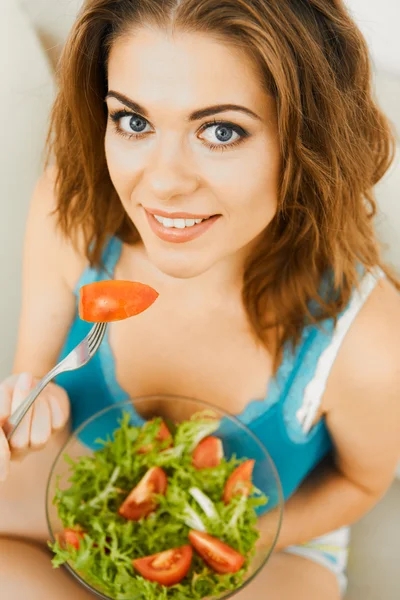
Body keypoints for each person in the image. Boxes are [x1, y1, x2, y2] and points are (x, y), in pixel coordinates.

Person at [1, 0, 400, 598]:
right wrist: (29, 404)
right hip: (88, 483)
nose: (161, 182)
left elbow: (359, 483)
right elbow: (33, 380)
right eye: (133, 122)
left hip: (268, 535)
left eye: (221, 131)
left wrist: (227, 539)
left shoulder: (368, 340)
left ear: (303, 141)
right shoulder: (71, 207)